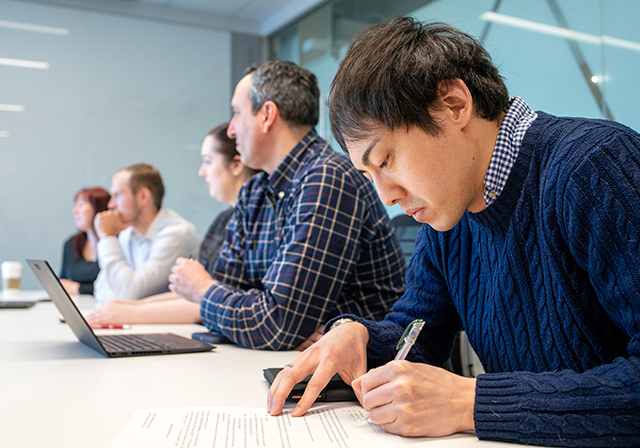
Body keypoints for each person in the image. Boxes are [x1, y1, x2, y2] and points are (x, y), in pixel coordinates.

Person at [267, 18, 640, 447]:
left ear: (453, 104)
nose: (386, 196)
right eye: (369, 174)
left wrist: (471, 402)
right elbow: (417, 335)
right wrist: (361, 336)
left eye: (385, 160)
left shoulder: (592, 167)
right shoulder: (449, 213)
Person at [167, 60, 406, 351]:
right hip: (290, 362)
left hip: (363, 377)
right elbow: (226, 319)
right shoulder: (254, 191)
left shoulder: (327, 178)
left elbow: (276, 325)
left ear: (267, 115)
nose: (231, 130)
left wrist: (204, 291)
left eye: (237, 113)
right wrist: (262, 319)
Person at [85, 123, 259, 324]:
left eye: (208, 161)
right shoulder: (223, 221)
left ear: (237, 165)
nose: (202, 172)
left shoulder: (178, 232)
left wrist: (130, 309)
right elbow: (197, 295)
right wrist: (128, 307)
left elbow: (208, 299)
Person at [93, 163, 201, 303]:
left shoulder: (176, 234)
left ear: (143, 196)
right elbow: (100, 289)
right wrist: (123, 293)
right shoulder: (128, 234)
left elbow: (129, 293)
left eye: (117, 195)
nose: (111, 205)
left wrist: (107, 236)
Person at [59, 187, 110, 295]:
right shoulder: (71, 244)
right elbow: (63, 284)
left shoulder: (114, 243)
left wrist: (80, 289)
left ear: (98, 208)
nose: (75, 211)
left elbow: (116, 287)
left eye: (81, 205)